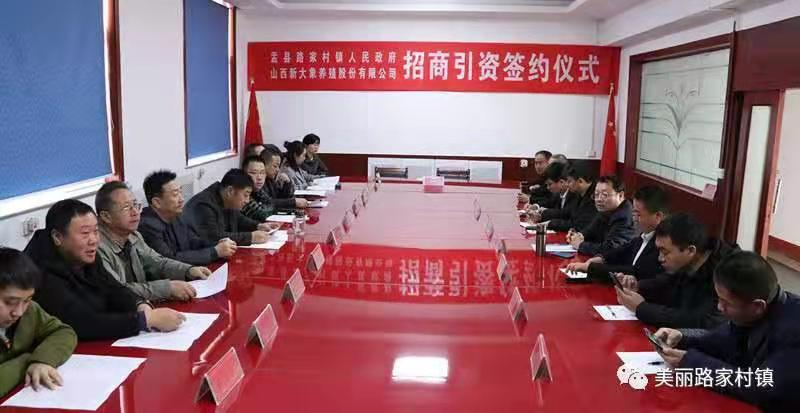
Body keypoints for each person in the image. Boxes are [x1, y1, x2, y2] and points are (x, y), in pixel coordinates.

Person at [654, 252, 800, 411]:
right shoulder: (753, 311)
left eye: (726, 303)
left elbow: (761, 386)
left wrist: (691, 362)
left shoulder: (793, 331)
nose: (719, 307)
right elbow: (720, 339)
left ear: (758, 306)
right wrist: (682, 338)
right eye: (719, 299)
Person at [25, 199, 185, 341]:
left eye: (96, 231)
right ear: (57, 237)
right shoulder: (39, 271)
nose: (93, 240)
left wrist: (139, 304)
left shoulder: (85, 255)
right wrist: (144, 321)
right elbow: (80, 323)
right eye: (85, 233)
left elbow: (113, 288)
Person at [95, 181, 211, 303]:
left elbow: (157, 263)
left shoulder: (133, 236)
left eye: (135, 205)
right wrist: (167, 288)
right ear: (106, 216)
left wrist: (188, 270)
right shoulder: (95, 249)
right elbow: (117, 291)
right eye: (126, 208)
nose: (135, 212)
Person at [615, 213, 736, 329]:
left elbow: (700, 321)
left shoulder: (726, 274)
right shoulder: (691, 261)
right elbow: (667, 283)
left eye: (665, 252)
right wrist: (638, 286)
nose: (660, 258)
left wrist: (642, 308)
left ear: (690, 250)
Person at [0, 248, 77, 397]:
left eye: (27, 300)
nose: (19, 312)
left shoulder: (30, 311)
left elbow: (63, 332)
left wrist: (43, 360)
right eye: (10, 302)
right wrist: (27, 359)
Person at [566, 185, 667, 281]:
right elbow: (622, 251)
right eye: (634, 213)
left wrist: (592, 268)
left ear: (658, 216)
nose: (634, 218)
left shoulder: (662, 243)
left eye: (638, 214)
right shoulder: (644, 235)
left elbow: (635, 271)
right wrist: (602, 258)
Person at [139, 170, 237, 266]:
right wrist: (215, 252)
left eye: (180, 192)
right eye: (175, 194)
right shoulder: (147, 227)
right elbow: (169, 260)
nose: (182, 199)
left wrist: (217, 245)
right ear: (157, 202)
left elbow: (193, 241)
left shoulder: (175, 214)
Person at [183, 168, 276, 246]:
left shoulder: (225, 197)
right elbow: (214, 237)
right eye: (245, 195)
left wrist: (258, 226)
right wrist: (250, 237)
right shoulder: (204, 205)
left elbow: (239, 218)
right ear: (230, 191)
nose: (247, 201)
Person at [567, 175, 635, 256]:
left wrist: (580, 245)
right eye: (596, 194)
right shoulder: (605, 210)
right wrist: (577, 235)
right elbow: (589, 232)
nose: (599, 199)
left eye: (604, 195)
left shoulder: (624, 217)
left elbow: (610, 249)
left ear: (620, 195)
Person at [526, 163, 576, 227]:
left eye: (550, 184)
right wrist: (536, 207)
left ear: (561, 182)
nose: (548, 188)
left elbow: (564, 215)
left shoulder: (574, 196)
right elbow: (548, 203)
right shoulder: (557, 194)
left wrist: (542, 215)